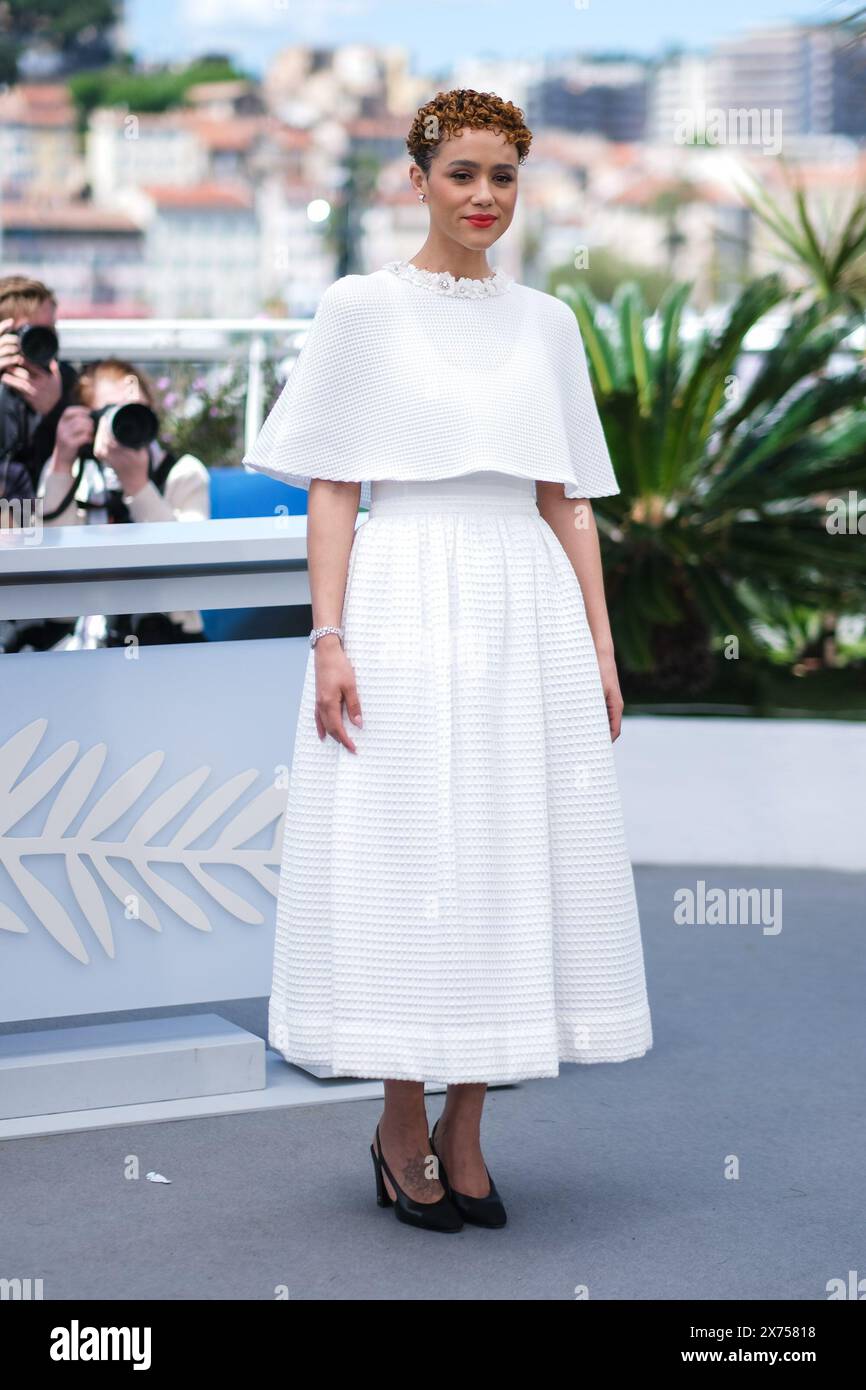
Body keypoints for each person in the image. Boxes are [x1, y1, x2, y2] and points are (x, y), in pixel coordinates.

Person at [243, 89, 653, 1234]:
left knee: (510, 856)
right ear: (415, 177)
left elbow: (566, 499)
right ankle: (397, 1121)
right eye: (463, 172)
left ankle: (466, 1129)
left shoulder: (548, 323)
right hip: (401, 596)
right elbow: (332, 485)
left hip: (520, 605)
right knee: (402, 852)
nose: (484, 197)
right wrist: (328, 636)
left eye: (504, 177)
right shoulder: (358, 309)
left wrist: (600, 646)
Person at [37, 358, 210, 647]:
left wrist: (138, 486)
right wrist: (61, 464)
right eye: (111, 413)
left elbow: (190, 563)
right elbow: (49, 557)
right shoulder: (74, 473)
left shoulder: (184, 472)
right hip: (87, 635)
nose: (125, 423)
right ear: (88, 421)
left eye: (134, 411)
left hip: (167, 636)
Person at [0, 275, 78, 514]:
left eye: (48, 331)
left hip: (49, 521)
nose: (38, 342)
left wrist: (55, 412)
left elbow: (87, 458)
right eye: (27, 332)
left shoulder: (67, 380)